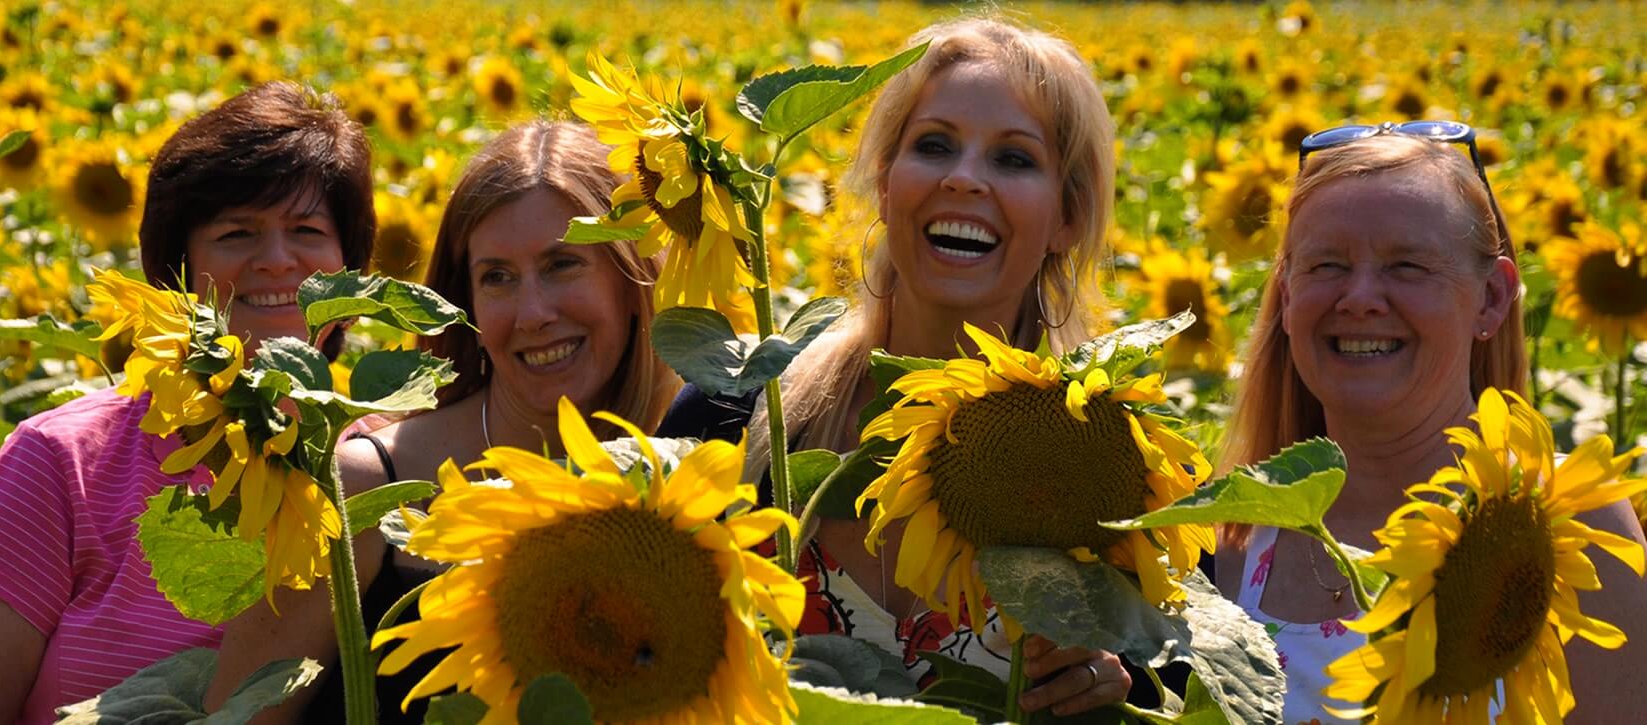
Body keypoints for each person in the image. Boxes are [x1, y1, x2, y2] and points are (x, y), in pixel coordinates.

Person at [658, 16, 1133, 716]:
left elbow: (1188, 674)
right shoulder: (741, 418)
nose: (964, 179)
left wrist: (1119, 690)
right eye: (934, 146)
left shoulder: (1118, 473)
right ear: (885, 183)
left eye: (1013, 159)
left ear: (1067, 216)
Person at [0, 81, 376, 725]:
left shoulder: (381, 465)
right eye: (236, 233)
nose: (277, 260)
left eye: (306, 229)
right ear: (176, 266)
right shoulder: (64, 464)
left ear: (350, 265)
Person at [204, 119, 680, 723]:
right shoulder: (364, 487)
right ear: (466, 304)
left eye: (562, 265)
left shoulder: (705, 455)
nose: (532, 313)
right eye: (497, 277)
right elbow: (239, 713)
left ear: (631, 274)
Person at [1214, 124, 1647, 723]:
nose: (1360, 297)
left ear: (1492, 299)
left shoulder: (1564, 521)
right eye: (1327, 265)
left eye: (1408, 266)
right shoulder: (1235, 540)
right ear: (1287, 297)